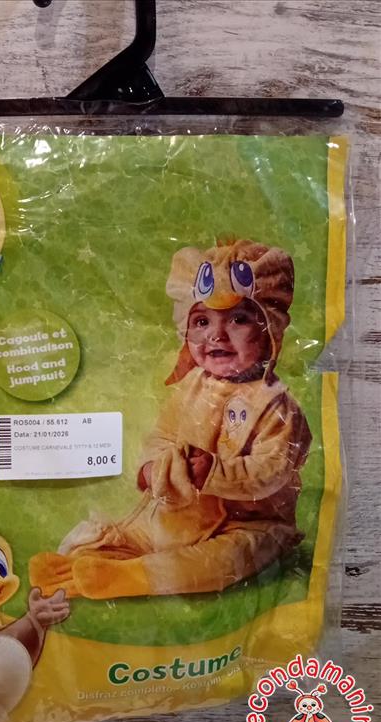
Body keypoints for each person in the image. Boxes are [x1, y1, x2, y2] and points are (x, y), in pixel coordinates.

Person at [30, 239, 311, 600]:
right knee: (140, 529)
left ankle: (136, 577)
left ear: (270, 330)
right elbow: (163, 434)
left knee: (226, 559)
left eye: (239, 319)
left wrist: (215, 472)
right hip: (186, 508)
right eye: (201, 321)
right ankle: (90, 564)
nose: (216, 335)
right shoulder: (193, 386)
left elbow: (272, 469)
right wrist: (152, 467)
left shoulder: (276, 405)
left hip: (249, 521)